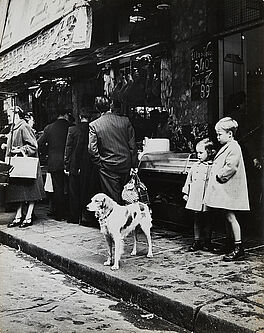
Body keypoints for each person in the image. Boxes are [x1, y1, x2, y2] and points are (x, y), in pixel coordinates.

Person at [204, 117, 250, 261]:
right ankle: (230, 243)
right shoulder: (228, 146)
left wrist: (219, 175)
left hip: (229, 188)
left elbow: (231, 166)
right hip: (226, 189)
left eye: (219, 134)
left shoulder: (234, 147)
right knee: (226, 216)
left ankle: (238, 247)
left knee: (230, 216)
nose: (217, 137)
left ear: (230, 134)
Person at [88, 97, 138, 204]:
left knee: (113, 198)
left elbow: (92, 149)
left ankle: (117, 219)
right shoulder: (125, 121)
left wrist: (100, 163)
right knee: (127, 195)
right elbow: (133, 146)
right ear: (111, 105)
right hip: (125, 164)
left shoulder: (94, 125)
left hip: (107, 166)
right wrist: (134, 165)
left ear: (97, 108)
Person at [3, 106, 45, 228]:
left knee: (30, 191)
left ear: (17, 114)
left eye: (9, 115)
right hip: (19, 166)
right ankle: (19, 216)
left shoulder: (24, 127)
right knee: (20, 192)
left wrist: (19, 150)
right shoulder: (14, 128)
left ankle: (28, 216)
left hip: (26, 166)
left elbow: (33, 145)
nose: (8, 118)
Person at [64, 109, 97, 224]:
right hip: (89, 164)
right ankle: (86, 217)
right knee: (87, 189)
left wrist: (67, 164)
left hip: (74, 163)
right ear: (91, 117)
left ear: (79, 116)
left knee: (74, 191)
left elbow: (68, 148)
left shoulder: (72, 129)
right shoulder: (94, 128)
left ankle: (74, 217)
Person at [182, 138, 216, 251]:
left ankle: (207, 241)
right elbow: (189, 179)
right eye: (197, 153)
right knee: (197, 218)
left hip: (207, 197)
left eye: (201, 153)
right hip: (196, 196)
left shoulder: (213, 166)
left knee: (209, 219)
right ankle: (197, 241)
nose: (199, 155)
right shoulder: (195, 166)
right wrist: (186, 192)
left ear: (209, 152)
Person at [38, 109, 70, 221]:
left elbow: (38, 143)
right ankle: (70, 213)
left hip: (54, 162)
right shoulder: (71, 126)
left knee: (58, 188)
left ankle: (59, 214)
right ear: (65, 115)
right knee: (70, 187)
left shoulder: (49, 128)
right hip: (70, 162)